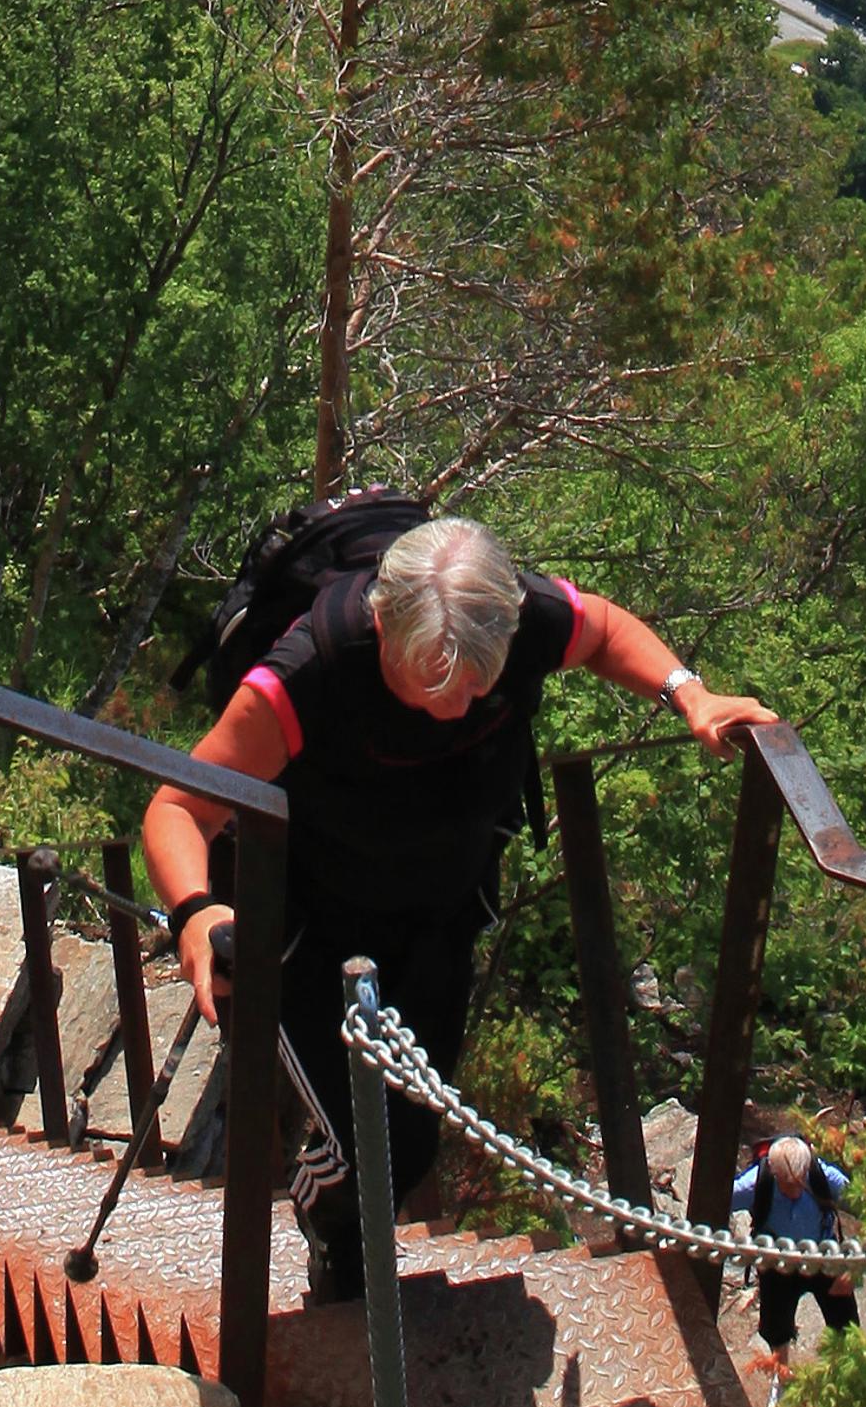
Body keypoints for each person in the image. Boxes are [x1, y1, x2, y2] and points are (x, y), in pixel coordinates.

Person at [143, 513, 775, 1301]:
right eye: (431, 683)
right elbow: (177, 806)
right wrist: (198, 910)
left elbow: (603, 626)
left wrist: (690, 692)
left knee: (412, 1133)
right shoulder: (310, 671)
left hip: (438, 911)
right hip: (305, 920)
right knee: (371, 1145)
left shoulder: (523, 616)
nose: (454, 706)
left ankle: (348, 1243)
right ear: (382, 624)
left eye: (476, 685)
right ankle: (339, 1253)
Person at [730, 1125, 859, 1354]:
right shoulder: (755, 1183)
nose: (794, 1191)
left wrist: (853, 1268)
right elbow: (715, 1203)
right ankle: (780, 1374)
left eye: (799, 1182)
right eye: (786, 1184)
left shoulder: (825, 1177)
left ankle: (847, 1373)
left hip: (824, 1257)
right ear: (773, 1170)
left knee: (846, 1325)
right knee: (775, 1328)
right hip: (778, 1263)